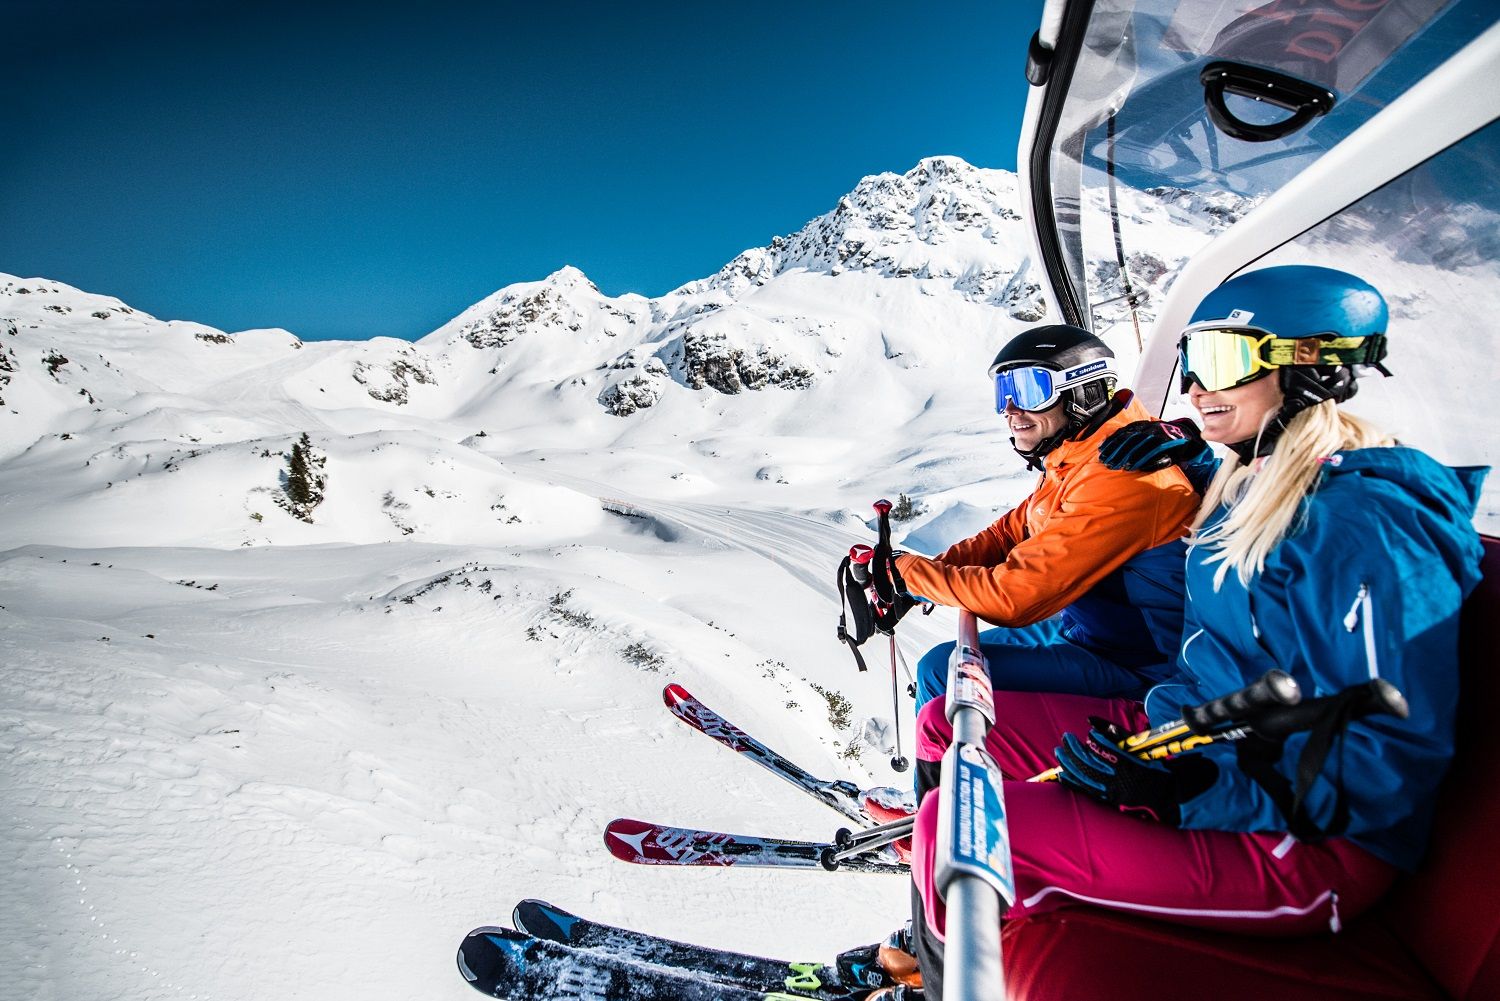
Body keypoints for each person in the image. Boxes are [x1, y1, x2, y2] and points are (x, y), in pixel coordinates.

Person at [900, 265, 1486, 1000]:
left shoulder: (1368, 525)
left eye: (1226, 360)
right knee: (948, 759)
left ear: (1312, 368)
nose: (1196, 389)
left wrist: (1196, 787)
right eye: (1193, 362)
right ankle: (934, 939)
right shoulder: (1255, 482)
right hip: (1195, 744)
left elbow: (1384, 757)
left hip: (1310, 843)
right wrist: (1203, 459)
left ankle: (945, 975)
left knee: (960, 826)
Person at [889, 324, 1201, 718]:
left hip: (1140, 665)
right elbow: (1012, 530)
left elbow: (1014, 598)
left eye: (1028, 391)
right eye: (1004, 391)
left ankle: (947, 778)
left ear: (1084, 392)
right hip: (1092, 634)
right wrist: (921, 576)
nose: (1010, 409)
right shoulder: (1081, 453)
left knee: (944, 673)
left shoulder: (1122, 474)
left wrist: (910, 575)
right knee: (941, 667)